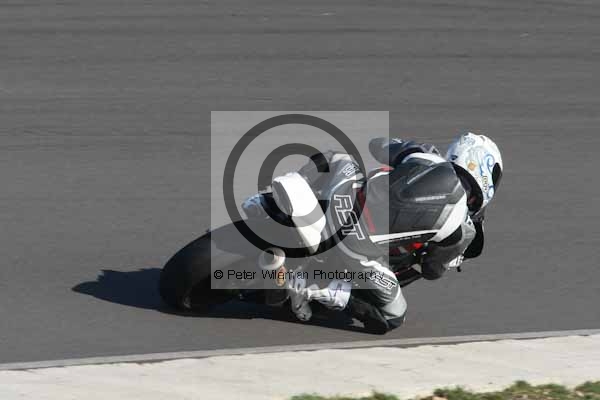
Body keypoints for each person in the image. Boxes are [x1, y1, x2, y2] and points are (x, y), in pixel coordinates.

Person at [242, 132, 503, 333]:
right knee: (394, 316)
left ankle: (268, 201)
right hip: (360, 251)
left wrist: (406, 154)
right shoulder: (461, 229)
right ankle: (303, 286)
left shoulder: (424, 155)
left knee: (337, 157)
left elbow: (376, 145)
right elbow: (432, 270)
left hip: (342, 202)